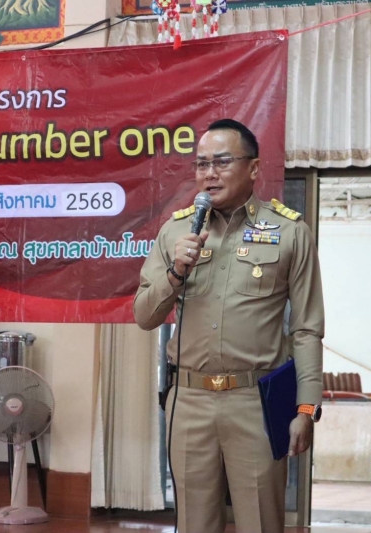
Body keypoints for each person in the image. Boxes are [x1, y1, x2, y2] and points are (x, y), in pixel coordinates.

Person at [133, 119, 324, 532]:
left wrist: (306, 408)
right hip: (189, 401)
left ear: (253, 168)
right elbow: (144, 316)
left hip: (254, 402)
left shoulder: (290, 231)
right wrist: (174, 272)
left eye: (221, 162)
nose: (209, 173)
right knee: (194, 523)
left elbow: (307, 329)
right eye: (202, 164)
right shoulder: (176, 231)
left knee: (260, 521)